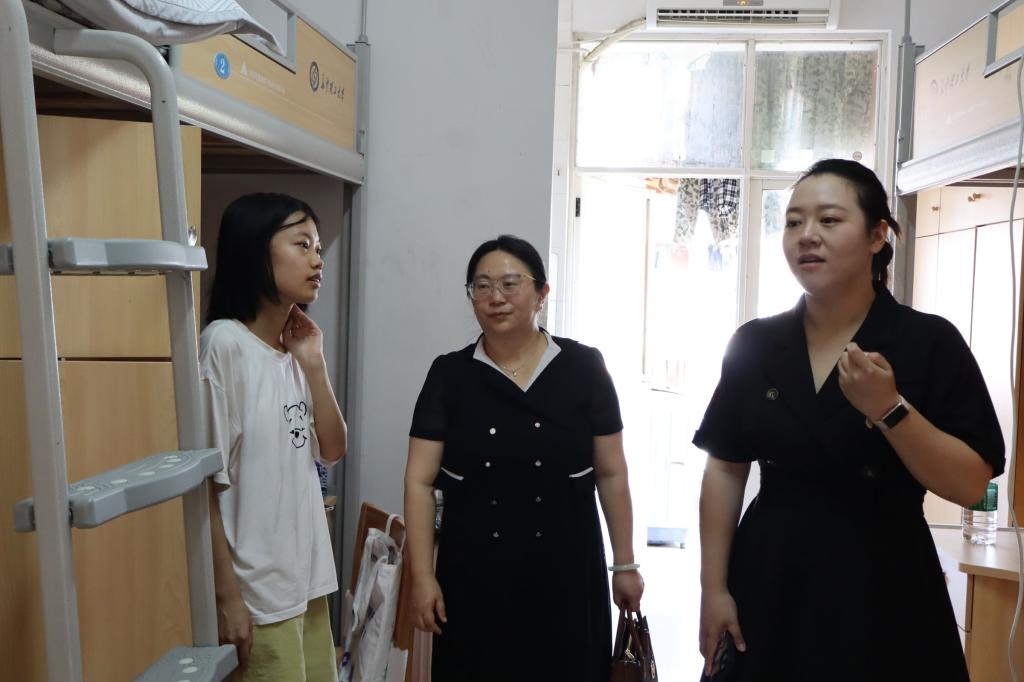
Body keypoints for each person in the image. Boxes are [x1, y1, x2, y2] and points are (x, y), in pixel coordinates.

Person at [695, 159, 1004, 681]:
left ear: (877, 236)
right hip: (769, 579)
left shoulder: (928, 342)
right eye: (793, 222)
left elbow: (971, 483)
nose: (806, 235)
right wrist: (713, 588)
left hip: (885, 586)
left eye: (829, 220)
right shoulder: (755, 343)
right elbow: (725, 467)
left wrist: (890, 410)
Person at [404, 235, 644, 681]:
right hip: (474, 573)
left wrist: (625, 563)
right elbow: (419, 480)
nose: (495, 298)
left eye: (510, 284)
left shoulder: (584, 367)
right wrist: (422, 577)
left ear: (541, 293)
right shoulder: (450, 375)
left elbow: (612, 472)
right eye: (482, 286)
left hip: (568, 569)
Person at [200, 193, 348, 681]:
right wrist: (227, 599)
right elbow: (203, 490)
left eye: (318, 247)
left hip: (305, 585)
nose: (317, 260)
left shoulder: (292, 349)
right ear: (254, 249)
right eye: (302, 244)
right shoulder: (224, 345)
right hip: (258, 598)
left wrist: (314, 364)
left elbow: (334, 448)